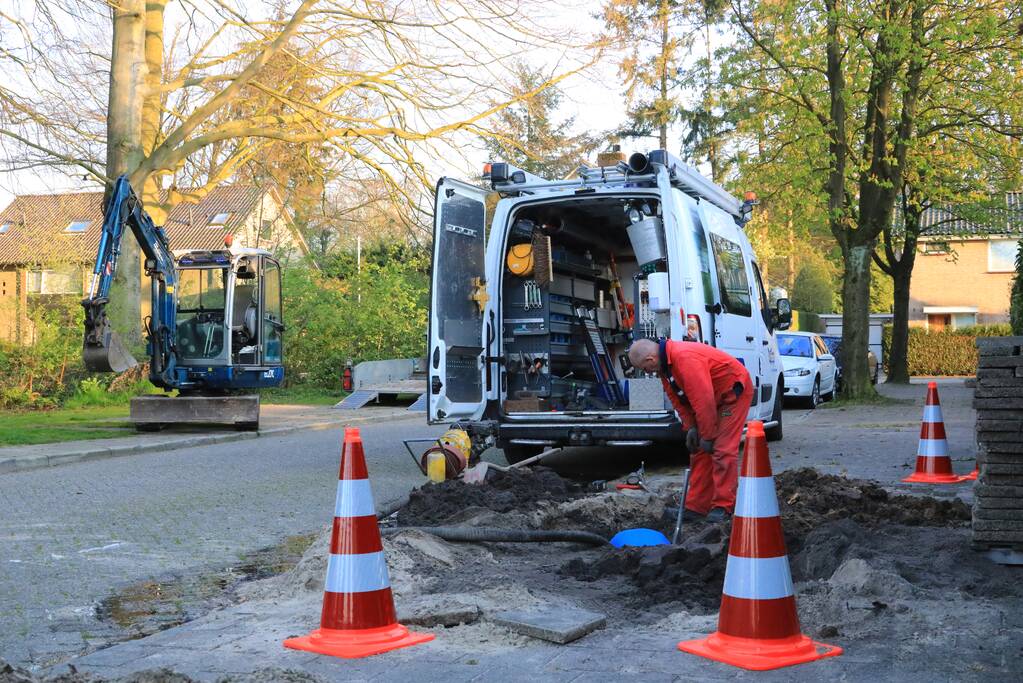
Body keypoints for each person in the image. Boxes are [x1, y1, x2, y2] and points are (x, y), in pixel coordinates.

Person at [627, 338, 753, 522]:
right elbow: (678, 400)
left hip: (731, 395)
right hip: (712, 400)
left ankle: (724, 507)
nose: (647, 373)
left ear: (650, 360)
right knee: (699, 451)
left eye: (644, 369)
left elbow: (703, 399)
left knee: (722, 450)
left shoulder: (684, 359)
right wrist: (692, 428)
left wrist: (708, 436)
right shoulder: (665, 368)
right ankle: (696, 507)